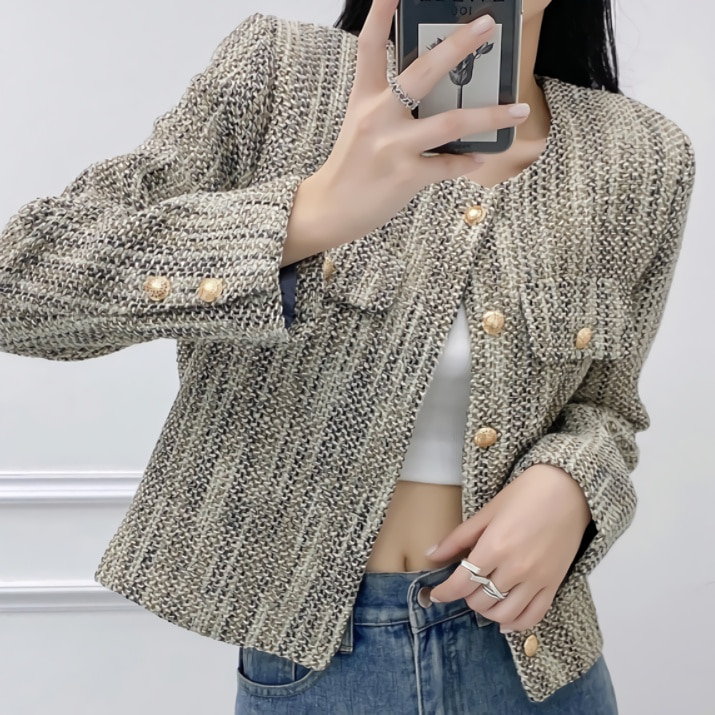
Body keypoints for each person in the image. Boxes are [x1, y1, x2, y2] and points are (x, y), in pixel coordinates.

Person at [0, 0, 696, 712]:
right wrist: (307, 213)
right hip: (321, 663)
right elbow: (17, 287)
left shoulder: (643, 155)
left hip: (539, 660)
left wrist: (571, 482)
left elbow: (607, 410)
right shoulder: (278, 76)